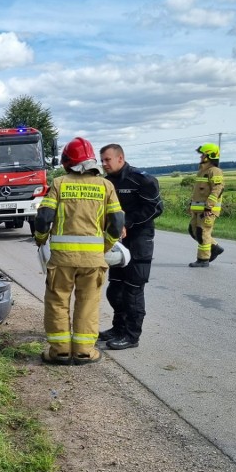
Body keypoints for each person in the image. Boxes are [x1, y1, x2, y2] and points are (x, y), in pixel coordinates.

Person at [34, 137, 124, 366]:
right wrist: (104, 246)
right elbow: (116, 222)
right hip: (93, 261)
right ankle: (84, 352)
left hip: (62, 260)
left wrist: (40, 239)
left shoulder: (59, 183)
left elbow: (44, 219)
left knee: (57, 302)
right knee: (88, 303)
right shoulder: (106, 186)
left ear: (67, 162)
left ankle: (60, 352)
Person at [98, 144, 164, 350]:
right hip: (116, 242)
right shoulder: (106, 182)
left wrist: (127, 222)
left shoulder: (141, 179)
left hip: (139, 241)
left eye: (107, 159)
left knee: (133, 291)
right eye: (102, 160)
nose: (104, 164)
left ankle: (131, 335)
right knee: (115, 290)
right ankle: (118, 328)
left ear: (120, 158)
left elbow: (155, 208)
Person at [188, 143, 225, 268]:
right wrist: (191, 205)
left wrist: (209, 206)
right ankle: (215, 248)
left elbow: (218, 189)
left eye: (203, 154)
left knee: (202, 233)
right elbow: (198, 192)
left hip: (208, 210)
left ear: (210, 155)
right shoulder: (202, 171)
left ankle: (203, 260)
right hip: (198, 209)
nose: (201, 157)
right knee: (193, 231)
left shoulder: (215, 171)